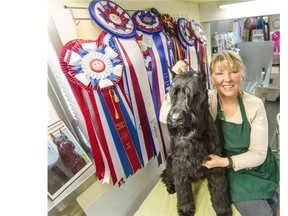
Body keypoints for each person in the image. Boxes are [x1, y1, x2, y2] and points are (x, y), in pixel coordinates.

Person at [159, 50, 280, 216]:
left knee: (269, 204)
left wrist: (224, 162)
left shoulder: (255, 105)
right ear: (212, 78)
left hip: (250, 163)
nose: (227, 79)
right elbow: (165, 116)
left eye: (234, 72)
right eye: (220, 73)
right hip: (223, 162)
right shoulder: (204, 97)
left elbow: (258, 154)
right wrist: (177, 82)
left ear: (242, 75)